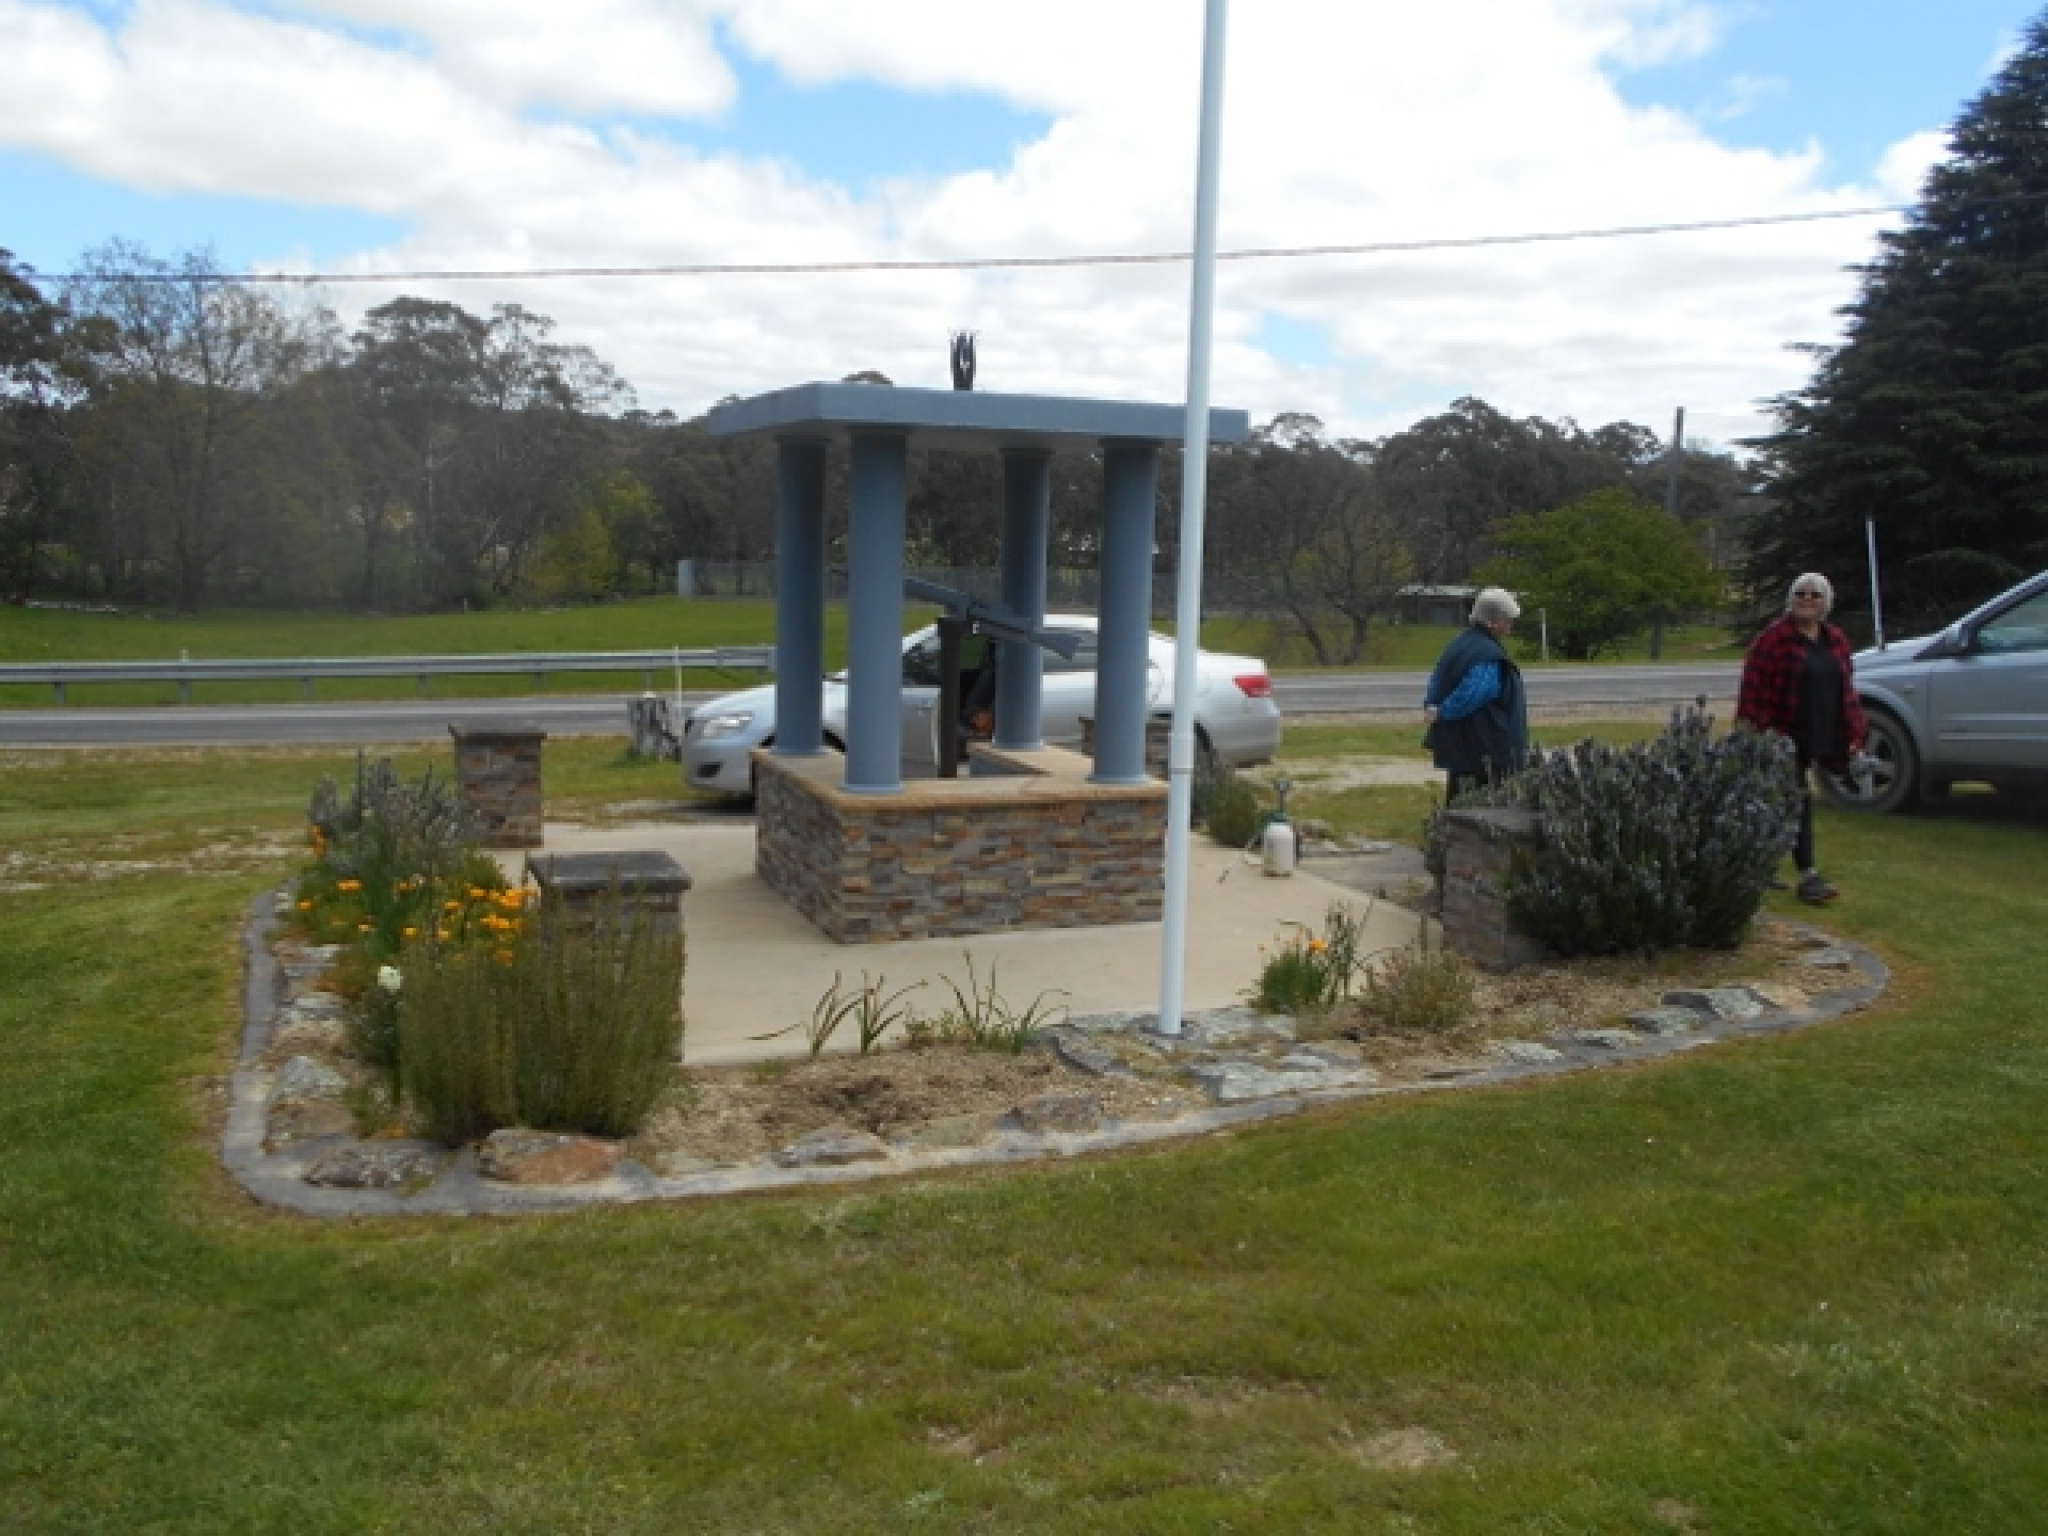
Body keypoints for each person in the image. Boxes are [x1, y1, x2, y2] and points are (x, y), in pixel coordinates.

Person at [1736, 572, 1868, 905]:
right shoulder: (1773, 639)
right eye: (1800, 593)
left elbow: (1846, 690)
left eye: (1815, 595)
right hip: (1782, 733)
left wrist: (1854, 735)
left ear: (1825, 603)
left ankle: (1755, 867)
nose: (1807, 599)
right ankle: (1808, 877)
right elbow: (1753, 689)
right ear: (1790, 598)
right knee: (1797, 800)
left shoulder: (1835, 639)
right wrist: (1758, 733)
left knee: (1774, 803)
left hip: (1821, 731)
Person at [1423, 586, 1530, 800]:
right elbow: (1473, 693)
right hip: (1485, 745)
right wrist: (1443, 711)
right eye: (1507, 620)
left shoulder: (1459, 643)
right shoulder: (1487, 655)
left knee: (1459, 795)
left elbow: (1437, 679)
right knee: (1487, 802)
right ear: (1493, 621)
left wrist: (1432, 707)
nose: (1510, 625)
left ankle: (1450, 830)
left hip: (1462, 744)